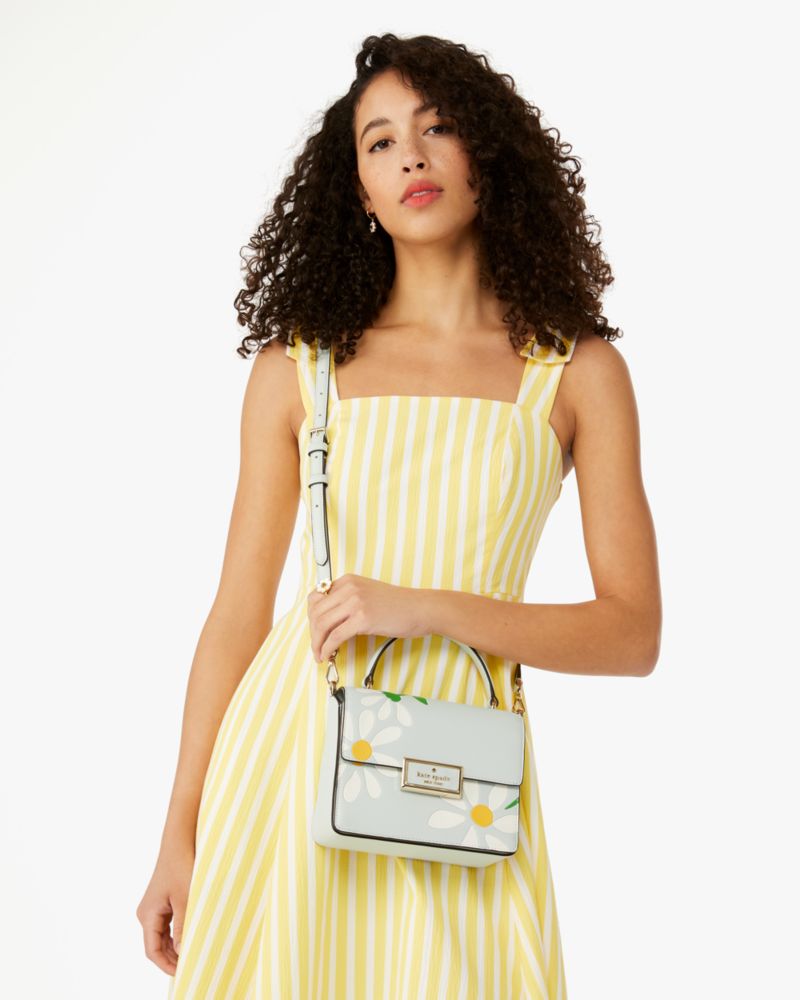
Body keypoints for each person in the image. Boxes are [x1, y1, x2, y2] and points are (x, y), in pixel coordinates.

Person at [137, 32, 662, 999]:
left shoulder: (575, 373)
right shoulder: (298, 369)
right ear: (361, 192)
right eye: (380, 143)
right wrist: (179, 828)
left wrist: (427, 608)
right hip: (293, 759)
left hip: (464, 783)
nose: (412, 156)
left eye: (438, 127)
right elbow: (237, 615)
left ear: (488, 155)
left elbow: (632, 634)